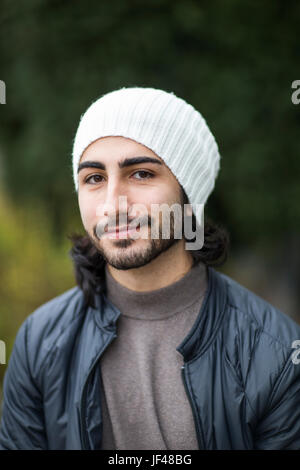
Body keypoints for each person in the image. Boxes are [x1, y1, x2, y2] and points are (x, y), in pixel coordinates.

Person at [1, 87, 300, 450]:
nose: (114, 204)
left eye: (141, 174)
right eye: (94, 178)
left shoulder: (277, 352)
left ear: (189, 199)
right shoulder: (39, 341)